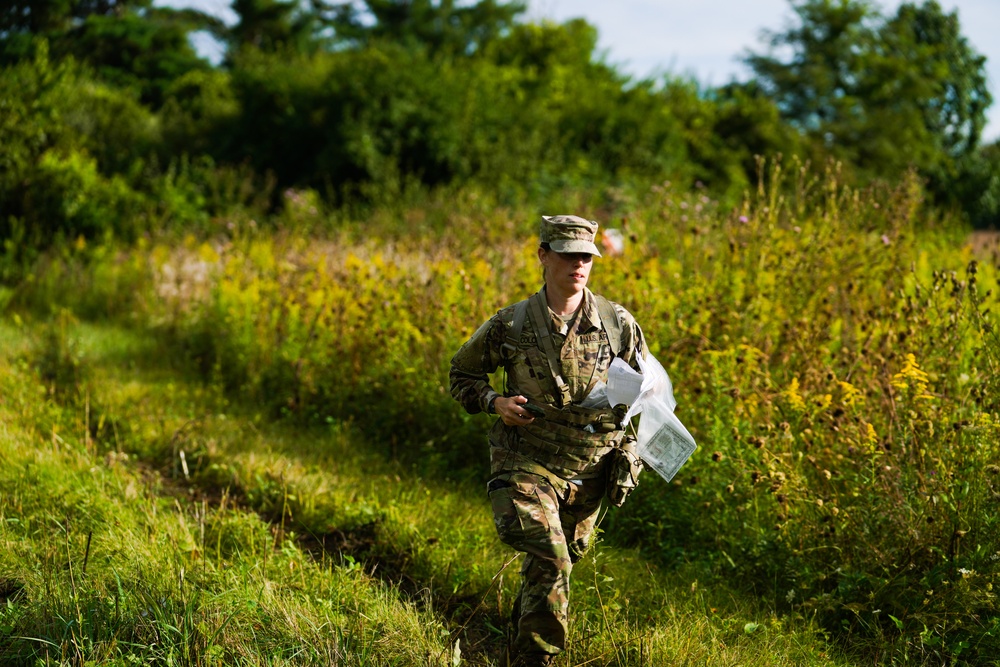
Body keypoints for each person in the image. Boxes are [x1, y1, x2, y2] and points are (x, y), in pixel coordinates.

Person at [450, 215, 647, 666]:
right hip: (526, 460)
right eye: (568, 254)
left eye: (586, 256)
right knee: (552, 556)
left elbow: (645, 392)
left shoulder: (617, 323)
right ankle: (535, 659)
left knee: (556, 563)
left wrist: (632, 447)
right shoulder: (512, 324)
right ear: (543, 255)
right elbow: (461, 374)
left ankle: (516, 645)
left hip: (590, 467)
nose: (579, 264)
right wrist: (493, 401)